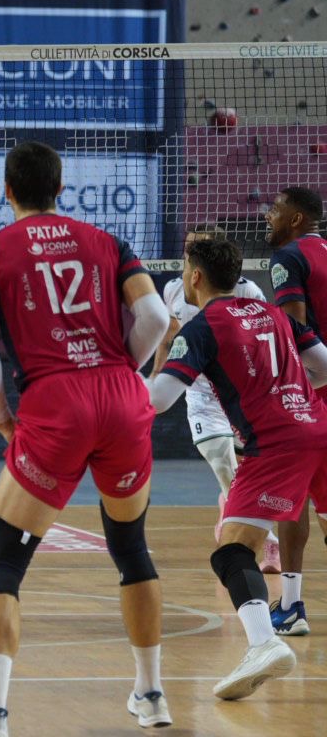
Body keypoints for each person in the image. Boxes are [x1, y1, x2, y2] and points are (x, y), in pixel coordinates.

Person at [0, 141, 172, 736]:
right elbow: (155, 320)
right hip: (124, 397)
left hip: (54, 401)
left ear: (7, 190)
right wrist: (117, 369)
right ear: (61, 186)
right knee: (130, 548)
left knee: (4, 559)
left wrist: (0, 412)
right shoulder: (106, 242)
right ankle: (150, 695)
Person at [148, 236, 327, 700]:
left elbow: (159, 399)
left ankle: (264, 643)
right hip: (316, 426)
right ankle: (268, 634)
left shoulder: (203, 327)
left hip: (276, 441)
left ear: (196, 276)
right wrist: (288, 392)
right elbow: (323, 368)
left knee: (232, 550)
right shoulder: (276, 313)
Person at [151, 225, 278, 568]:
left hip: (242, 390)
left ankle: (234, 511)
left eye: (196, 250)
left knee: (249, 470)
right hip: (199, 391)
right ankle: (268, 540)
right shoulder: (174, 290)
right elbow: (168, 336)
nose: (187, 256)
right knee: (223, 461)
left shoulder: (247, 290)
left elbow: (265, 335)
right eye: (187, 248)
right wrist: (154, 378)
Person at [264, 184, 326, 634]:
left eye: (277, 209)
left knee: (293, 500)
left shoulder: (288, 257)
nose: (269, 215)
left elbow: (296, 327)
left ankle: (290, 605)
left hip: (312, 392)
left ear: (297, 219)